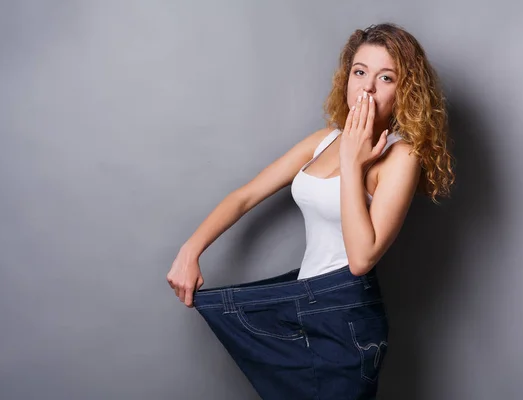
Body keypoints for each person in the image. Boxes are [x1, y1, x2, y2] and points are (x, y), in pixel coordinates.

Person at [167, 22, 455, 399]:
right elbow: (245, 196)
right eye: (360, 72)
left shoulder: (402, 155)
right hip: (302, 308)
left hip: (346, 318)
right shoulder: (324, 141)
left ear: (405, 92)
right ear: (347, 77)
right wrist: (190, 250)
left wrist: (353, 165)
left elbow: (361, 259)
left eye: (386, 78)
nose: (367, 87)